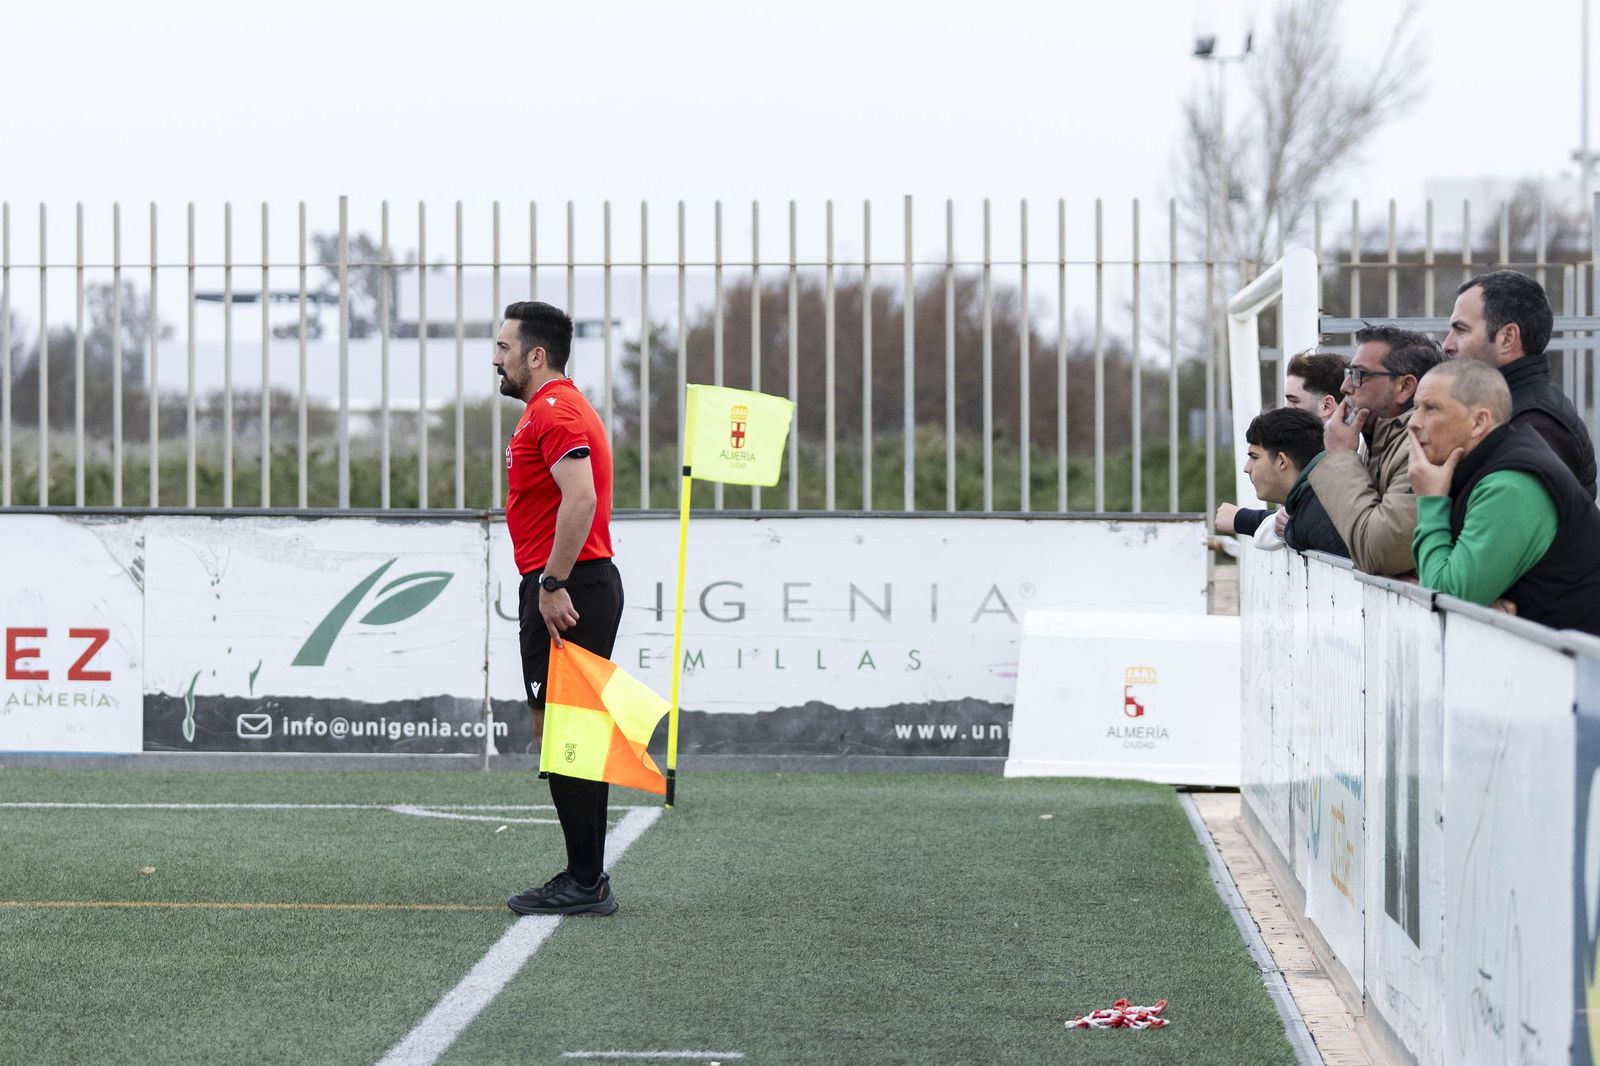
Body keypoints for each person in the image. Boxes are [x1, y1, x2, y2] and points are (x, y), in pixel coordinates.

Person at [494, 300, 626, 917]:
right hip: (569, 582)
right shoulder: (550, 410)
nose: (497, 358)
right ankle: (585, 874)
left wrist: (551, 582)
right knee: (561, 731)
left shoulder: (556, 409)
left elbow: (581, 499)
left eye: (504, 347)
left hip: (572, 587)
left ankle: (584, 880)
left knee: (570, 734)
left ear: (535, 355)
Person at [1407, 359, 1600, 635]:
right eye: (1416, 408)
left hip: (1579, 670)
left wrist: (1431, 502)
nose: (1413, 423)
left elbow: (1446, 599)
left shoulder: (1511, 484)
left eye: (1431, 408)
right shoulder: (1477, 468)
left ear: (1479, 422)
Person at [1443, 269, 1597, 497]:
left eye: (1461, 330)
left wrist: (1433, 498)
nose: (1447, 344)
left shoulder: (1537, 425)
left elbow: (1502, 527)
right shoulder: (1509, 409)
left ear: (1507, 338)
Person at [1308, 325, 1445, 576]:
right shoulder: (1377, 442)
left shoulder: (1424, 447)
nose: (1345, 387)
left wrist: (1340, 459)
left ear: (1404, 386)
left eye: (1360, 375)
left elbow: (1377, 553)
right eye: (1349, 373)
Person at [1214, 351, 1349, 537]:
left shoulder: (1352, 458)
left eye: (1294, 401)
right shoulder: (1332, 457)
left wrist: (1246, 519)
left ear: (1326, 406)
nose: (1286, 410)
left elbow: (1333, 527)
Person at [1240, 408, 1348, 557]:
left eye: (1254, 457)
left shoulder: (1318, 507)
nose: (1247, 468)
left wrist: (1290, 530)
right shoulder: (1321, 496)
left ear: (1282, 461)